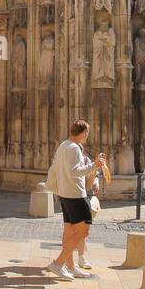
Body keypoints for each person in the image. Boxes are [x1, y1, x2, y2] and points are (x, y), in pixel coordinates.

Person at [45, 119, 107, 279]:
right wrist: (95, 165)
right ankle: (58, 263)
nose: (87, 136)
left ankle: (70, 267)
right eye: (87, 133)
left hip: (64, 193)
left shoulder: (63, 145)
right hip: (75, 194)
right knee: (83, 230)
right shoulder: (73, 148)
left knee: (69, 229)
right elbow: (74, 172)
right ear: (83, 133)